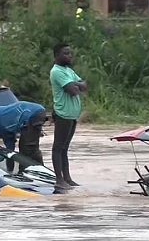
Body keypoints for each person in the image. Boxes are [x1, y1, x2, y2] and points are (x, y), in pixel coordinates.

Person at [50, 43, 88, 190]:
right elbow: (73, 90)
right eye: (65, 53)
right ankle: (59, 179)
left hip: (72, 115)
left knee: (65, 148)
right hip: (63, 114)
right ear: (57, 55)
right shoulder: (57, 71)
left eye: (70, 53)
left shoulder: (68, 71)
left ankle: (67, 178)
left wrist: (76, 84)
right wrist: (76, 85)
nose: (69, 56)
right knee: (58, 147)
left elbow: (84, 85)